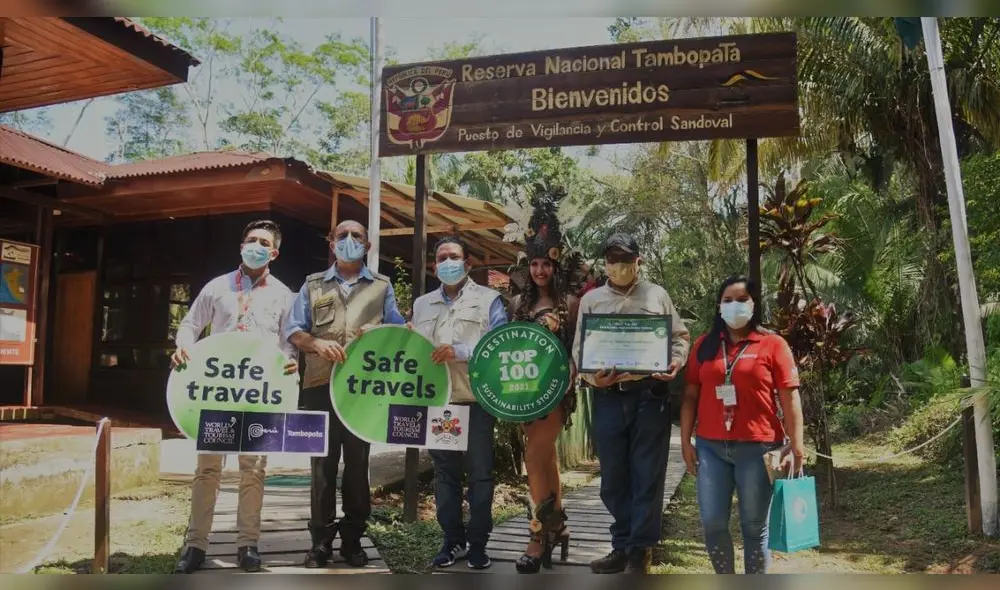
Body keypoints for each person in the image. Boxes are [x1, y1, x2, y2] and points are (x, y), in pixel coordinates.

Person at [172, 219, 298, 574]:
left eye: (263, 242)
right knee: (207, 469)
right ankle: (195, 545)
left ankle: (247, 545)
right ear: (241, 245)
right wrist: (183, 347)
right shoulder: (217, 287)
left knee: (253, 471)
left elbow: (290, 341)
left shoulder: (283, 294)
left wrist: (291, 362)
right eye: (251, 240)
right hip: (218, 393)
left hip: (259, 395)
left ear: (274, 252)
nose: (256, 245)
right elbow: (189, 325)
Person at [284, 219, 407, 568]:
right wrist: (315, 343)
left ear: (367, 246)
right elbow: (294, 329)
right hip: (319, 388)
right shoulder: (312, 285)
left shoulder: (381, 287)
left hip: (363, 392)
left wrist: (379, 329)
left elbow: (399, 328)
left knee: (357, 467)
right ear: (331, 242)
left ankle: (353, 540)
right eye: (342, 236)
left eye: (356, 237)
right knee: (321, 468)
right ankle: (320, 542)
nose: (349, 240)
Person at [572, 232, 691, 574]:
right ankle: (621, 544)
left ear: (638, 260)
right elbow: (580, 350)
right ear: (604, 263)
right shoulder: (592, 301)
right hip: (608, 397)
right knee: (613, 478)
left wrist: (674, 362)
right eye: (612, 259)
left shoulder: (657, 295)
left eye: (625, 259)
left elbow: (679, 336)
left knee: (647, 475)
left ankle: (638, 550)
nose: (619, 266)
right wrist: (595, 378)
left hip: (647, 396)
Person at [680, 275, 805, 574]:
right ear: (718, 305)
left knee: (753, 528)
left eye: (741, 299)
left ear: (753, 304)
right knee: (712, 523)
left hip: (758, 448)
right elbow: (689, 396)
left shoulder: (773, 344)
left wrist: (797, 446)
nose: (734, 305)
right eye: (727, 300)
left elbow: (791, 398)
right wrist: (686, 442)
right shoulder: (704, 346)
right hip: (711, 448)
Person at [411, 235, 507, 570]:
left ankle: (478, 544)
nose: (447, 263)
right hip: (441, 403)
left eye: (454, 257)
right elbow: (414, 351)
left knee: (480, 475)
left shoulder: (490, 300)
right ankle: (451, 541)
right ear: (433, 265)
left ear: (468, 264)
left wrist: (461, 352)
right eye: (441, 258)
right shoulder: (422, 304)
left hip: (478, 400)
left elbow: (500, 346)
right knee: (446, 475)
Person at [506, 184, 588, 573]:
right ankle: (560, 523)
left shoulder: (570, 304)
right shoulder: (515, 304)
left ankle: (537, 535)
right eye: (534, 264)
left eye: (547, 264)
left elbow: (578, 350)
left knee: (533, 456)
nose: (540, 271)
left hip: (555, 395)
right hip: (521, 394)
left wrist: (573, 369)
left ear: (557, 264)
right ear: (528, 264)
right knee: (546, 457)